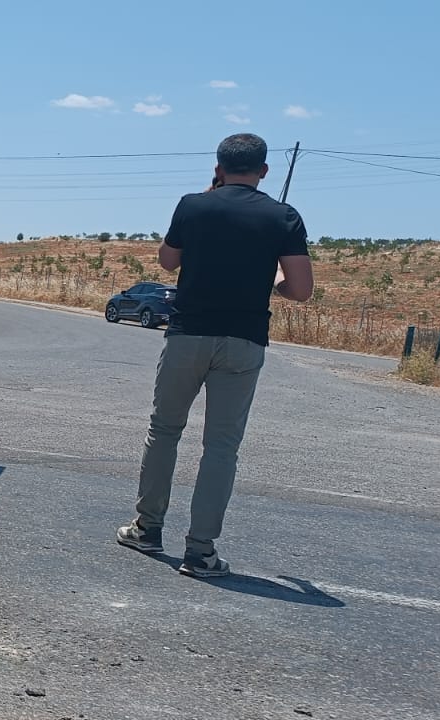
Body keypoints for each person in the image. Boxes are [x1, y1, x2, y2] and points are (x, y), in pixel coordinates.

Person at [116, 133, 314, 578]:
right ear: (264, 171)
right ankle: (200, 550)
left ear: (218, 168)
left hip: (188, 335)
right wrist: (273, 281)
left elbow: (168, 261)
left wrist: (209, 194)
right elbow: (300, 289)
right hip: (244, 340)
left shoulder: (193, 206)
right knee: (221, 447)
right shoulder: (283, 216)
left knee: (164, 430)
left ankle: (147, 528)